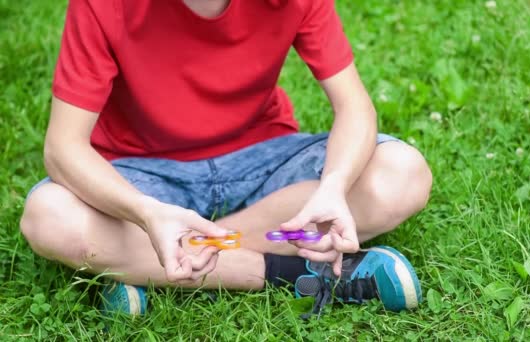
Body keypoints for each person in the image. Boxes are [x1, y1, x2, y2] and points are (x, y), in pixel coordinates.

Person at [19, 0, 432, 316]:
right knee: (50, 217)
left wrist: (334, 187)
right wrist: (145, 213)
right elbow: (63, 149)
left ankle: (145, 265)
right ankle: (288, 274)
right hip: (143, 175)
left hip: (264, 160)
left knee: (402, 174)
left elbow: (355, 108)